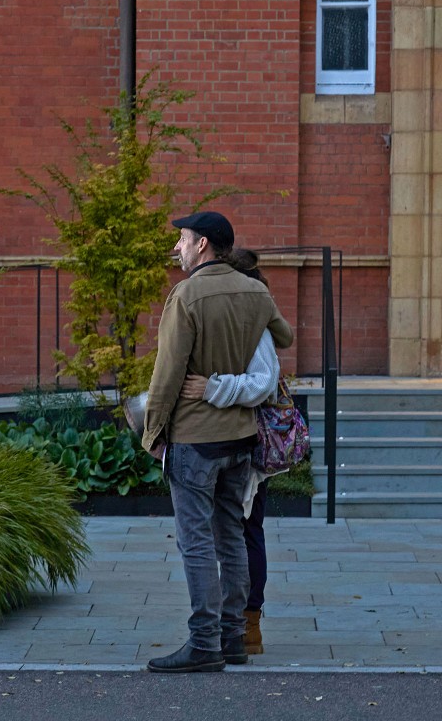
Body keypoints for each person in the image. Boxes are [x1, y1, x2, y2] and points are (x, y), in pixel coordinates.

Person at [142, 212, 293, 673]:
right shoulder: (256, 291)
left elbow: (167, 374)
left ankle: (204, 642)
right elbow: (283, 336)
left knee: (197, 543)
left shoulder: (186, 294)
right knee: (231, 536)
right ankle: (233, 639)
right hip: (241, 437)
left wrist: (152, 432)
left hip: (195, 438)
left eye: (183, 241)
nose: (178, 249)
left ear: (203, 244)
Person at [180, 248, 280, 656]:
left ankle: (239, 629)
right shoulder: (239, 308)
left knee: (239, 533)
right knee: (238, 533)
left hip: (244, 436)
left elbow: (265, 381)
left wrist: (213, 388)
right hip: (231, 435)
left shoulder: (250, 312)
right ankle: (236, 632)